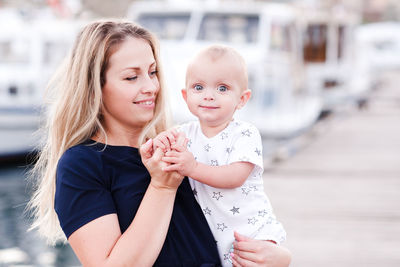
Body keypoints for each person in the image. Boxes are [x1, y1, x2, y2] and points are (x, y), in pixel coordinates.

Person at [27, 19, 291, 266]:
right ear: (95, 87)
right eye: (132, 77)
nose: (151, 87)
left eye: (153, 72)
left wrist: (278, 257)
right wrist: (163, 187)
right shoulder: (82, 165)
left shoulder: (175, 145)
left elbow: (237, 212)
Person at [154, 45, 286, 266]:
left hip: (252, 230)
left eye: (222, 88)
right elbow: (164, 145)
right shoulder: (184, 133)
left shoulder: (244, 133)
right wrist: (160, 143)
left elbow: (235, 176)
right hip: (215, 236)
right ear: (186, 96)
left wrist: (193, 168)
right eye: (198, 87)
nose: (209, 96)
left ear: (242, 99)